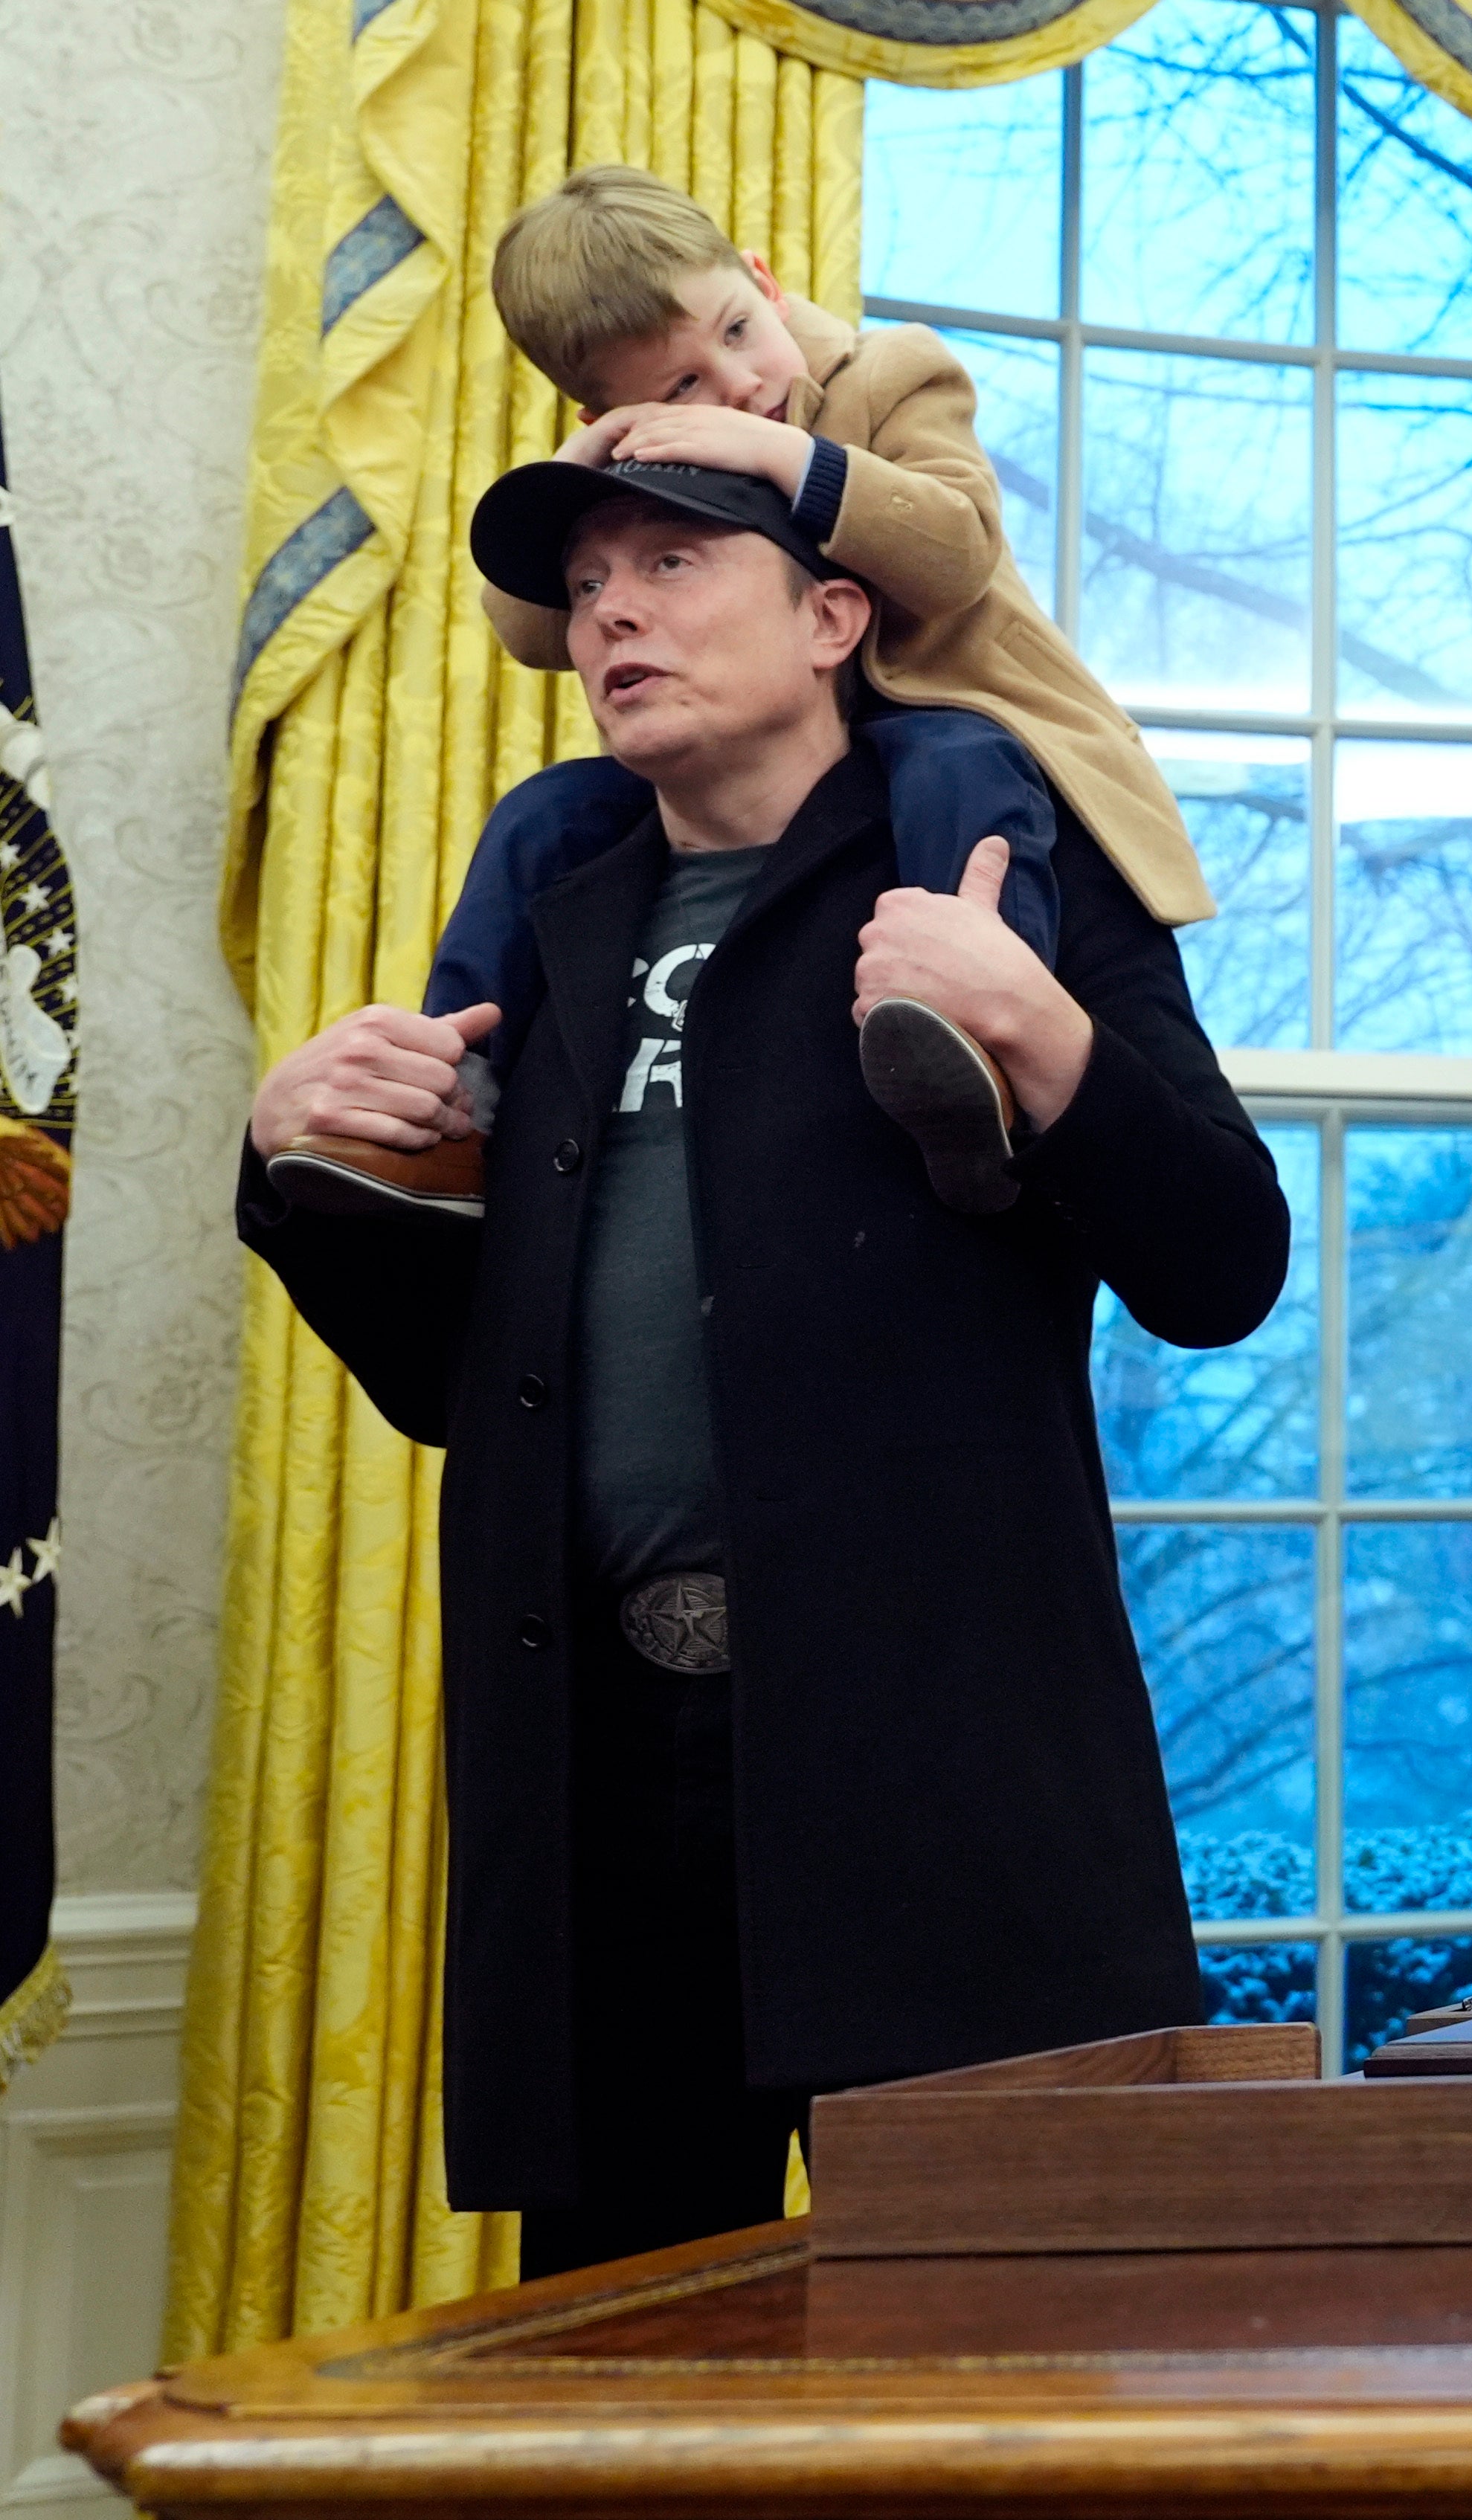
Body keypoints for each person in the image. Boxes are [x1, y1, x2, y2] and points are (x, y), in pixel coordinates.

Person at [237, 454, 1285, 2275]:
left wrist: (1041, 1029)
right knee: (628, 2408)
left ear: (831, 619)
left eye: (668, 560)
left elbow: (1221, 1267)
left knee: (1004, 2392)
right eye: (584, 587)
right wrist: (288, 1169)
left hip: (941, 1782)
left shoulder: (987, 872)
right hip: (603, 1791)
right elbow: (454, 1388)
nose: (612, 612)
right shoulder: (549, 925)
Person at [260, 164, 1214, 1225]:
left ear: (762, 279)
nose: (737, 382)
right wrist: (586, 469)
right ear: (615, 407)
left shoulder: (890, 375)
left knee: (957, 761)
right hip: (818, 750)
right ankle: (456, 1111)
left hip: (964, 720)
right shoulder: (653, 462)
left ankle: (975, 1048)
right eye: (677, 387)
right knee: (544, 812)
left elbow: (955, 551)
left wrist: (781, 453)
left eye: (736, 329)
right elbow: (533, 629)